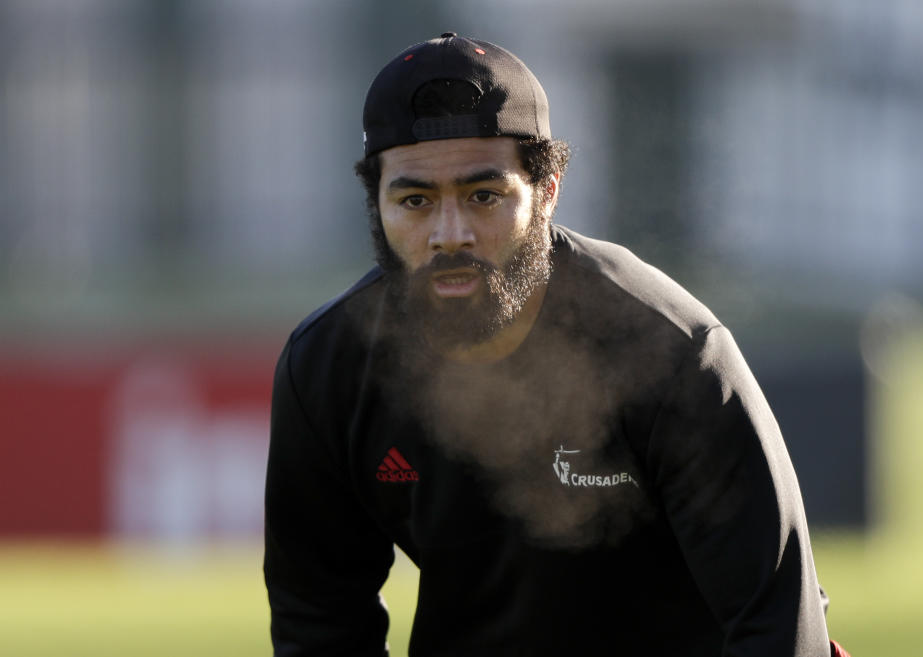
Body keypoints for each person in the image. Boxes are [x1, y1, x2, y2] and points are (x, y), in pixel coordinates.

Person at [264, 32, 850, 657]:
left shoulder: (671, 351)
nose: (449, 234)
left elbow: (779, 625)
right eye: (414, 200)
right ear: (376, 205)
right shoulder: (328, 367)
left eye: (484, 196)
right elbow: (320, 624)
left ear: (547, 190)